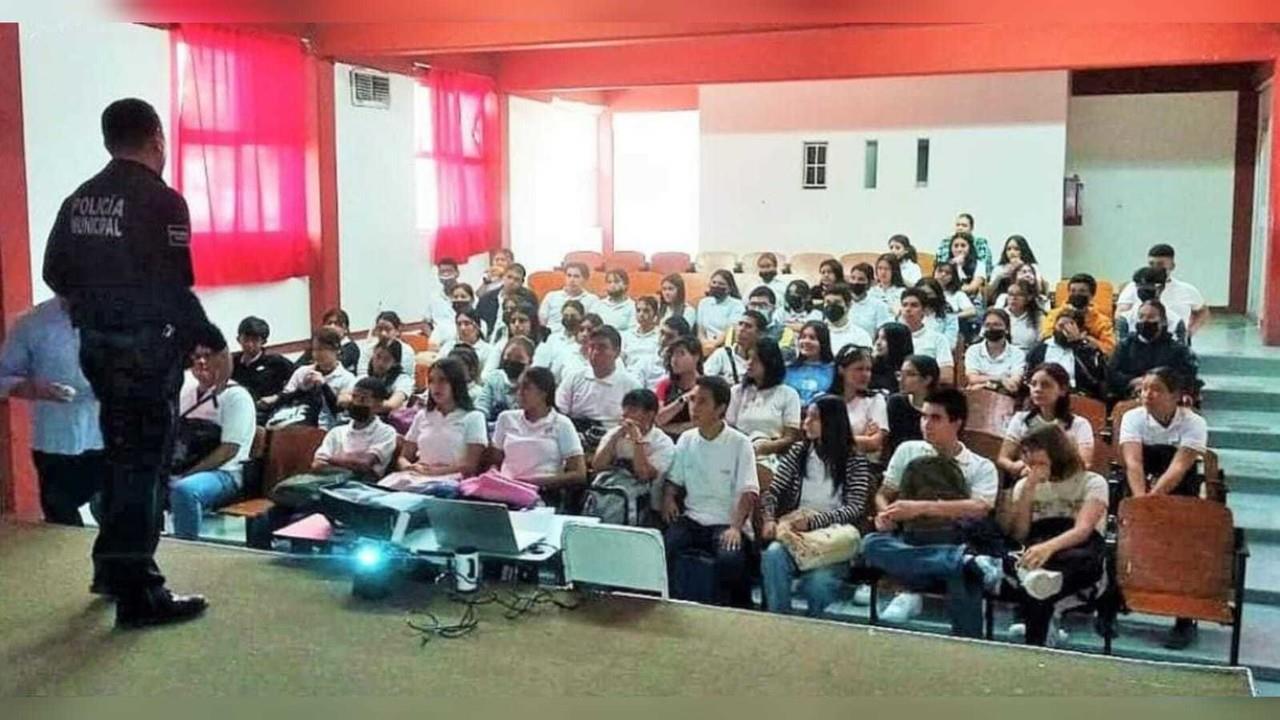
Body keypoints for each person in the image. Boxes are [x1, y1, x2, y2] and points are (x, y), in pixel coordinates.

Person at [41, 98, 232, 626]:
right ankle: (139, 592)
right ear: (156, 139)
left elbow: (54, 272)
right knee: (143, 469)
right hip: (146, 352)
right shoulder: (161, 201)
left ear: (108, 141)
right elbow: (172, 285)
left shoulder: (79, 199)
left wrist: (101, 300)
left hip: (97, 348)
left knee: (119, 457)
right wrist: (212, 340)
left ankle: (111, 568)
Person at [861, 388, 1000, 633]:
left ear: (956, 422)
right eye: (924, 416)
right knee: (870, 544)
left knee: (964, 575)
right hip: (910, 539)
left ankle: (919, 590)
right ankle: (960, 563)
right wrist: (886, 514)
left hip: (954, 538)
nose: (926, 424)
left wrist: (920, 507)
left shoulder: (981, 466)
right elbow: (884, 494)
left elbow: (980, 508)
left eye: (935, 418)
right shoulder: (907, 450)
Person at [1117, 367, 1210, 652]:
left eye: (1156, 389)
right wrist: (1139, 501)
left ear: (1175, 395)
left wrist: (1153, 500)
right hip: (1139, 487)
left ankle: (1185, 620)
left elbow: (1180, 466)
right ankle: (1112, 603)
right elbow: (1133, 462)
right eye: (1144, 388)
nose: (1147, 395)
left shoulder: (1194, 423)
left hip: (1179, 490)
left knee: (1184, 548)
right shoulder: (1132, 417)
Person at [993, 423, 1108, 647]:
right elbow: (1021, 533)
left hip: (1076, 545)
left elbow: (1083, 530)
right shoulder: (1025, 485)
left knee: (1075, 563)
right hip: (1039, 540)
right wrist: (1027, 490)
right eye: (1030, 463)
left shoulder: (1093, 482)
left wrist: (1049, 548)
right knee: (1020, 560)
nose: (1034, 469)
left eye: (1040, 463)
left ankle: (1038, 587)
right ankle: (1042, 601)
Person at [761, 394, 874, 617]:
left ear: (831, 422)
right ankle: (779, 619)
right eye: (806, 417)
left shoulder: (855, 460)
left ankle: (814, 628)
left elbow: (855, 507)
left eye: (814, 418)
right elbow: (772, 492)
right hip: (796, 531)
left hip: (832, 537)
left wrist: (814, 521)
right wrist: (769, 518)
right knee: (773, 555)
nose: (806, 423)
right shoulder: (797, 453)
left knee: (818, 583)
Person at [0, 297, 105, 527]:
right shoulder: (32, 323)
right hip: (54, 440)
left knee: (119, 523)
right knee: (61, 524)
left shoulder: (122, 316)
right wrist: (31, 387)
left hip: (109, 435)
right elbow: (3, 377)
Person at [663, 376, 760, 607]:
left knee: (730, 558)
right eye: (693, 400)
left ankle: (737, 612)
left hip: (727, 522)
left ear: (721, 408)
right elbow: (673, 480)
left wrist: (736, 528)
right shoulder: (686, 439)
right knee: (663, 549)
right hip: (693, 519)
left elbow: (749, 492)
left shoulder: (740, 443)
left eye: (703, 402)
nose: (694, 408)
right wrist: (668, 499)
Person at [267, 377, 400, 513]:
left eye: (363, 399)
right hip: (327, 485)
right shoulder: (337, 432)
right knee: (273, 512)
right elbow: (317, 464)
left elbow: (365, 464)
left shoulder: (386, 432)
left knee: (303, 510)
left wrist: (331, 459)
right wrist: (350, 460)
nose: (356, 402)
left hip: (359, 491)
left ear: (378, 404)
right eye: (354, 397)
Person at [167, 347, 256, 540]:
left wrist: (185, 474)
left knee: (185, 491)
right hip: (181, 464)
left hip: (224, 473)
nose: (201, 362)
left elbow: (229, 450)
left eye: (208, 357)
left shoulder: (236, 397)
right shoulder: (186, 392)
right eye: (196, 357)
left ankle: (187, 550)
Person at [380, 357, 487, 490]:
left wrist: (433, 473)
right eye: (431, 381)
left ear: (456, 383)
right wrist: (409, 466)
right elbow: (403, 457)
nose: (436, 386)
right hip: (416, 475)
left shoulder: (474, 418)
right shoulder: (422, 415)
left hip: (451, 480)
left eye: (442, 380)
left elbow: (469, 466)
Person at [490, 366, 587, 492]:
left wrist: (534, 482)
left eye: (526, 388)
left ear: (543, 393)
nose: (520, 393)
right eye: (518, 387)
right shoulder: (506, 418)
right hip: (507, 488)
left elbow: (579, 474)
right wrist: (496, 476)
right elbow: (494, 461)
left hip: (543, 491)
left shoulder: (562, 424)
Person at [998, 363, 1097, 478]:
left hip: (1066, 481)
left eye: (1045, 385)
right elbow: (1003, 458)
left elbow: (1085, 463)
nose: (1037, 389)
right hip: (1029, 478)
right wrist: (1014, 466)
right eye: (1033, 384)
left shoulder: (1080, 424)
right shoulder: (1021, 419)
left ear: (1063, 390)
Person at [591, 388, 677, 517]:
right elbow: (597, 466)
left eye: (633, 410)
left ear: (650, 414)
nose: (625, 414)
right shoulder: (614, 434)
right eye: (625, 409)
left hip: (646, 508)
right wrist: (614, 438)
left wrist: (637, 440)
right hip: (607, 498)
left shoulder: (663, 443)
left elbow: (643, 474)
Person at [725, 338, 803, 469]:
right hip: (740, 452)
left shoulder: (789, 394)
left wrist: (767, 447)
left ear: (769, 363)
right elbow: (729, 428)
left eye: (755, 360)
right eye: (748, 358)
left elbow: (791, 437)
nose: (749, 364)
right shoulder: (737, 391)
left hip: (774, 455)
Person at [556, 325, 642, 433]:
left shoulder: (631, 386)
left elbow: (636, 424)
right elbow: (559, 413)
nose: (595, 352)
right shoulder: (574, 378)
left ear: (617, 352)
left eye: (602, 347)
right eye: (592, 347)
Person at [1108, 300, 1199, 402]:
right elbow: (1112, 373)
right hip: (1129, 396)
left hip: (1166, 399)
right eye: (1141, 317)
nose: (1145, 321)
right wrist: (1132, 381)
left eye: (1151, 317)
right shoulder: (1125, 346)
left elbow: (1186, 377)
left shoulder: (1177, 349)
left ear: (1163, 321)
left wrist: (1155, 383)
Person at [267, 328, 358, 429]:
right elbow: (284, 400)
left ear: (336, 350)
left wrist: (324, 386)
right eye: (315, 349)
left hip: (330, 428)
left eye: (323, 349)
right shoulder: (303, 372)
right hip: (299, 423)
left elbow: (340, 412)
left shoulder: (347, 378)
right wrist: (301, 390)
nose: (318, 354)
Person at [1115, 244, 1209, 337]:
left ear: (1172, 266)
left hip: (1176, 342)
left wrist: (1190, 331)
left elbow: (1203, 311)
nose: (1155, 268)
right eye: (1151, 264)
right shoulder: (1135, 287)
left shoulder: (1187, 290)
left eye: (1160, 264)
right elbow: (1121, 313)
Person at [1025, 309, 1108, 400]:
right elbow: (1029, 377)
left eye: (1071, 325)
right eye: (1061, 325)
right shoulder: (1039, 350)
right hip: (1045, 393)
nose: (1065, 329)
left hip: (1079, 396)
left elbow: (1094, 379)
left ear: (1079, 330)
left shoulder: (1089, 350)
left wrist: (1077, 345)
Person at [832, 346, 889, 458]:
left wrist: (835, 439)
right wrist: (860, 438)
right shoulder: (826, 400)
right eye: (859, 369)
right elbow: (817, 439)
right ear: (841, 370)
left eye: (868, 369)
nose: (865, 375)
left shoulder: (876, 399)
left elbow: (874, 443)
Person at [1040, 273, 1116, 356]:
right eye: (1073, 291)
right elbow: (1046, 336)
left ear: (1092, 295)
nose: (1077, 294)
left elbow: (1110, 348)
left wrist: (1084, 339)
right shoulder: (1054, 314)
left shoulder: (1102, 321)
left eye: (1082, 291)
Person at [230, 316, 294, 414]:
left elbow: (298, 381)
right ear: (238, 339)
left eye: (255, 340)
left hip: (267, 413)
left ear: (263, 342)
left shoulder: (276, 362)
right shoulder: (231, 363)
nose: (250, 344)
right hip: (237, 411)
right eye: (246, 339)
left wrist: (277, 397)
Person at [884, 354, 941, 459]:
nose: (901, 379)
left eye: (910, 374)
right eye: (900, 374)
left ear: (927, 380)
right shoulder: (896, 403)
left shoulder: (940, 408)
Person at [1116, 266, 1190, 343]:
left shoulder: (1175, 322)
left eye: (1148, 286)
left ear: (1161, 288)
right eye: (1139, 286)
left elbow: (1181, 352)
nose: (1143, 290)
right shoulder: (1125, 320)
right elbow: (1121, 350)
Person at [963, 308, 1026, 394]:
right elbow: (973, 379)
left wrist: (984, 384)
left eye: (997, 325)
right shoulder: (973, 350)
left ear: (1006, 328)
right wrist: (1001, 379)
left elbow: (1013, 384)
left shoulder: (1017, 353)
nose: (992, 328)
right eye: (988, 325)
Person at [897, 288, 954, 378]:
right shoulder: (891, 336)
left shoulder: (938, 339)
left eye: (914, 305)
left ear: (924, 311)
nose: (908, 309)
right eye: (904, 305)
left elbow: (947, 376)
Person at [476, 336, 536, 422]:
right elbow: (481, 408)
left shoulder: (535, 384)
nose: (512, 361)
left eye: (519, 358)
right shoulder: (494, 378)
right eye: (508, 356)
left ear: (530, 361)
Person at [655, 335, 703, 437]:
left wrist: (670, 427)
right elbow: (658, 420)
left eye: (681, 354)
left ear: (696, 357)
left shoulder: (707, 386)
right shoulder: (665, 385)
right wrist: (683, 399)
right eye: (672, 355)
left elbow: (703, 423)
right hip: (665, 440)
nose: (674, 360)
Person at [477, 262, 536, 340]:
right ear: (503, 277)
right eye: (509, 277)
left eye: (516, 279)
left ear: (522, 283)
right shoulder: (487, 298)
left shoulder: (529, 298)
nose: (511, 282)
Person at [704, 310, 766, 383]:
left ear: (760, 333)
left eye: (748, 326)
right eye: (740, 324)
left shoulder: (764, 359)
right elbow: (705, 380)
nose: (741, 329)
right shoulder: (722, 354)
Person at [784, 321, 835, 406]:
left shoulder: (834, 370)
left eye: (812, 338)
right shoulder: (788, 369)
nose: (806, 341)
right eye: (803, 337)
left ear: (823, 342)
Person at [295, 308, 361, 374]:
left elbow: (332, 368)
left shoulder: (351, 348)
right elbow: (297, 365)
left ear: (345, 329)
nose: (332, 327)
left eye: (337, 324)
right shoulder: (316, 345)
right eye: (329, 323)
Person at [532, 299, 585, 376]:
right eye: (566, 315)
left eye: (573, 316)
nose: (569, 319)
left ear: (581, 316)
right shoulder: (553, 338)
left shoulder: (584, 340)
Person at [437, 307, 495, 377]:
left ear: (477, 327)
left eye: (467, 323)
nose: (462, 328)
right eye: (459, 324)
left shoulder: (488, 351)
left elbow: (485, 377)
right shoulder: (448, 347)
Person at [540, 261, 600, 329]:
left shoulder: (592, 300)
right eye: (569, 275)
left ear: (585, 279)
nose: (572, 280)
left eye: (576, 276)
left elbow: (591, 325)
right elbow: (542, 322)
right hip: (551, 336)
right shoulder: (551, 296)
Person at [363, 339, 414, 415]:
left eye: (386, 359)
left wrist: (361, 403)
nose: (380, 363)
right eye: (378, 356)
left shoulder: (403, 380)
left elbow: (392, 405)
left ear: (395, 363)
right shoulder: (368, 375)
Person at [935, 212, 994, 278]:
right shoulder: (945, 242)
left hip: (973, 275)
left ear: (971, 228)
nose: (960, 228)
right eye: (958, 225)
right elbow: (940, 264)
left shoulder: (980, 243)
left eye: (964, 225)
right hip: (948, 276)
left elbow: (986, 267)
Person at [697, 269, 745, 347]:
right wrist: (704, 344)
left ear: (729, 288)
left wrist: (713, 345)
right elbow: (701, 332)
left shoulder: (737, 305)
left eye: (721, 284)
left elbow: (729, 331)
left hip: (726, 345)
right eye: (714, 282)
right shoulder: (703, 303)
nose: (716, 286)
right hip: (705, 345)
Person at [822, 283, 874, 354]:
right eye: (828, 302)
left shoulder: (861, 336)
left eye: (837, 302)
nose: (831, 307)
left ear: (849, 305)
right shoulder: (816, 334)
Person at [847, 262, 893, 339]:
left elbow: (884, 333)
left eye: (861, 279)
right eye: (853, 278)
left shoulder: (879, 306)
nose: (855, 282)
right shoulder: (842, 303)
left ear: (870, 283)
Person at [933, 262, 977, 342]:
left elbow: (971, 311)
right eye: (940, 271)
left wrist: (952, 317)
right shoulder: (927, 291)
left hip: (949, 329)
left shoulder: (957, 294)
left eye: (948, 273)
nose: (943, 274)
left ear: (953, 277)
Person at [999, 279, 1044, 351]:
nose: (1013, 298)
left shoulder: (1039, 317)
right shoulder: (998, 315)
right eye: (1010, 294)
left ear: (1029, 297)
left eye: (1019, 295)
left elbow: (1041, 344)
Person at [915, 277, 960, 349]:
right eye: (921, 295)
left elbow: (950, 344)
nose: (925, 298)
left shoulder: (948, 314)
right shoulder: (910, 313)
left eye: (928, 294)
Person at [622, 296, 662, 375]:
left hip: (653, 377)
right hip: (630, 375)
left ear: (655, 314)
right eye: (638, 310)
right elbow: (621, 359)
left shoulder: (660, 335)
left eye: (646, 311)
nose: (641, 314)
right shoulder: (627, 335)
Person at [871, 322, 914, 394]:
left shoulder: (908, 369)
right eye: (877, 337)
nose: (878, 343)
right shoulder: (871, 367)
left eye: (884, 338)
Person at [945, 232, 986, 306]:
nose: (959, 249)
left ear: (970, 248)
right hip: (949, 302)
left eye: (963, 246)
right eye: (956, 246)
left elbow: (972, 288)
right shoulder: (947, 265)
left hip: (973, 303)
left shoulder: (979, 264)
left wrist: (952, 289)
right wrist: (952, 265)